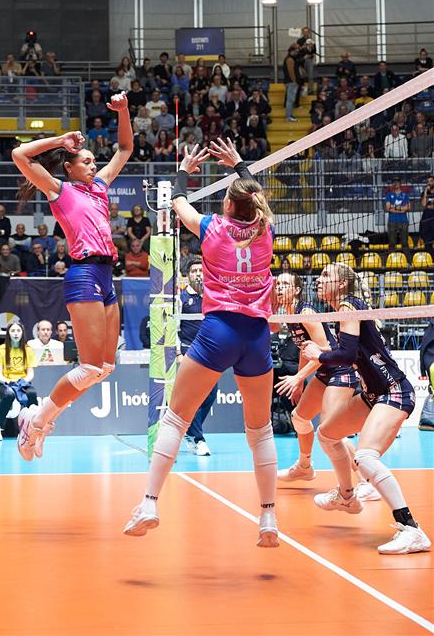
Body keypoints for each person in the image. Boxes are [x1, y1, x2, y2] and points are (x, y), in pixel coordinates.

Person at [125, 137, 279, 547]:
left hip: (218, 330)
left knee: (176, 418)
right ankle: (268, 517)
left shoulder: (213, 227)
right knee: (260, 429)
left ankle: (149, 503)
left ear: (227, 205)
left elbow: (178, 203)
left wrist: (184, 171)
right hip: (256, 335)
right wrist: (239, 164)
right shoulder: (265, 229)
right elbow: (257, 198)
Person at [10, 90, 133, 460]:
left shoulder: (100, 187)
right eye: (87, 161)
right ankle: (36, 423)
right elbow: (20, 155)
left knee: (105, 368)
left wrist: (123, 111)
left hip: (107, 274)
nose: (94, 166)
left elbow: (125, 148)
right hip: (83, 273)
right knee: (89, 366)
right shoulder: (59, 190)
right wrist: (60, 140)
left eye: (95, 161)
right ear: (69, 167)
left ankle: (37, 419)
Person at [302, 265, 430, 554]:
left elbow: (346, 355)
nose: (319, 280)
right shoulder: (344, 310)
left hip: (394, 390)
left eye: (326, 276)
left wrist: (319, 355)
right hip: (373, 393)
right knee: (327, 435)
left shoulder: (349, 306)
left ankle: (412, 529)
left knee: (364, 457)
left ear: (342, 284)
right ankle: (347, 496)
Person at [272, 272, 376, 500]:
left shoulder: (306, 313)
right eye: (277, 284)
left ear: (296, 290)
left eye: (285, 284)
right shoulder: (290, 315)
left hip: (340, 370)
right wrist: (301, 380)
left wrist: (298, 378)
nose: (279, 288)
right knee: (299, 418)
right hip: (323, 373)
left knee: (331, 432)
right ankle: (304, 467)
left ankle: (366, 482)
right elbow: (305, 350)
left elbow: (323, 348)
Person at [177, 258, 217, 457]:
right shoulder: (181, 299)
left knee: (211, 394)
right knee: (193, 396)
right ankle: (197, 438)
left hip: (210, 354)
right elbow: (173, 328)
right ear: (188, 276)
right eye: (194, 271)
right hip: (189, 353)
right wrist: (178, 353)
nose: (198, 274)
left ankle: (187, 430)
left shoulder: (212, 297)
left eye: (201, 270)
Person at [0, 319, 38, 442]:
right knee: (9, 395)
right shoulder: (1, 350)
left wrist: (22, 382)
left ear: (22, 333)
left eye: (18, 330)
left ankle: (30, 429)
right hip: (4, 383)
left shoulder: (28, 350)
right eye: (12, 331)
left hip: (22, 383)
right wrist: (9, 382)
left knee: (32, 394)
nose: (16, 333)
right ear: (8, 333)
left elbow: (30, 373)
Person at [385, 178, 410, 250]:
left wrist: (394, 207)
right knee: (392, 243)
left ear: (400, 183)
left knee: (405, 243)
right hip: (392, 221)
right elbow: (388, 208)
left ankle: (407, 257)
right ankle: (391, 256)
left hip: (403, 221)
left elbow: (408, 208)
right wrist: (401, 209)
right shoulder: (389, 195)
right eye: (394, 182)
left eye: (397, 182)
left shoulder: (405, 195)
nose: (395, 183)